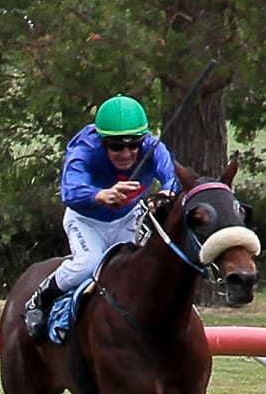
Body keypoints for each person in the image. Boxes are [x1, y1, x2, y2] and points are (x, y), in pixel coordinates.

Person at [21, 94, 181, 340]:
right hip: (86, 221)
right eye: (116, 146)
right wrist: (100, 195)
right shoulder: (84, 150)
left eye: (133, 145)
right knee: (88, 264)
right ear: (102, 141)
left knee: (142, 266)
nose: (126, 153)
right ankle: (41, 298)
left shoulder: (152, 148)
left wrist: (167, 192)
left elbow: (173, 176)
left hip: (128, 217)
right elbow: (69, 190)